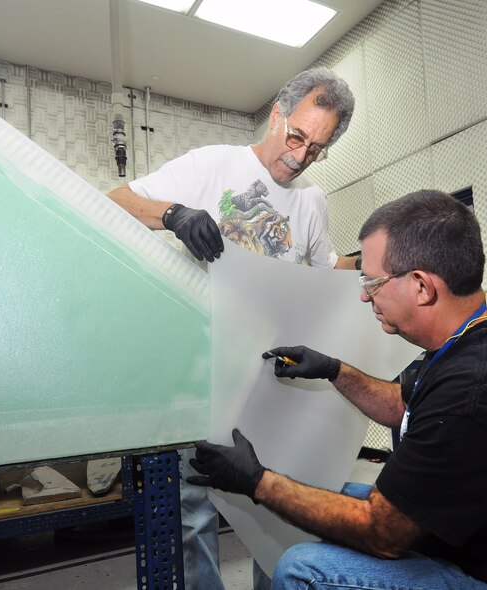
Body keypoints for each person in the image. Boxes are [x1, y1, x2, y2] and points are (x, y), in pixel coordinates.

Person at [188, 190, 487, 590]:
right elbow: (404, 405)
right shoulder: (480, 328)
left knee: (302, 568)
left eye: (371, 284)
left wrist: (256, 481)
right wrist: (333, 370)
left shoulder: (479, 384)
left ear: (420, 285)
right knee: (332, 493)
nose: (364, 298)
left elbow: (383, 532)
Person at [107, 67, 357, 589]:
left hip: (271, 378)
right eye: (297, 136)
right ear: (275, 116)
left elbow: (321, 274)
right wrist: (172, 213)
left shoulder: (312, 202)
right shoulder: (211, 164)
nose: (300, 155)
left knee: (275, 499)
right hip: (201, 371)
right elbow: (115, 202)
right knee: (195, 507)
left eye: (318, 148)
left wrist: (380, 264)